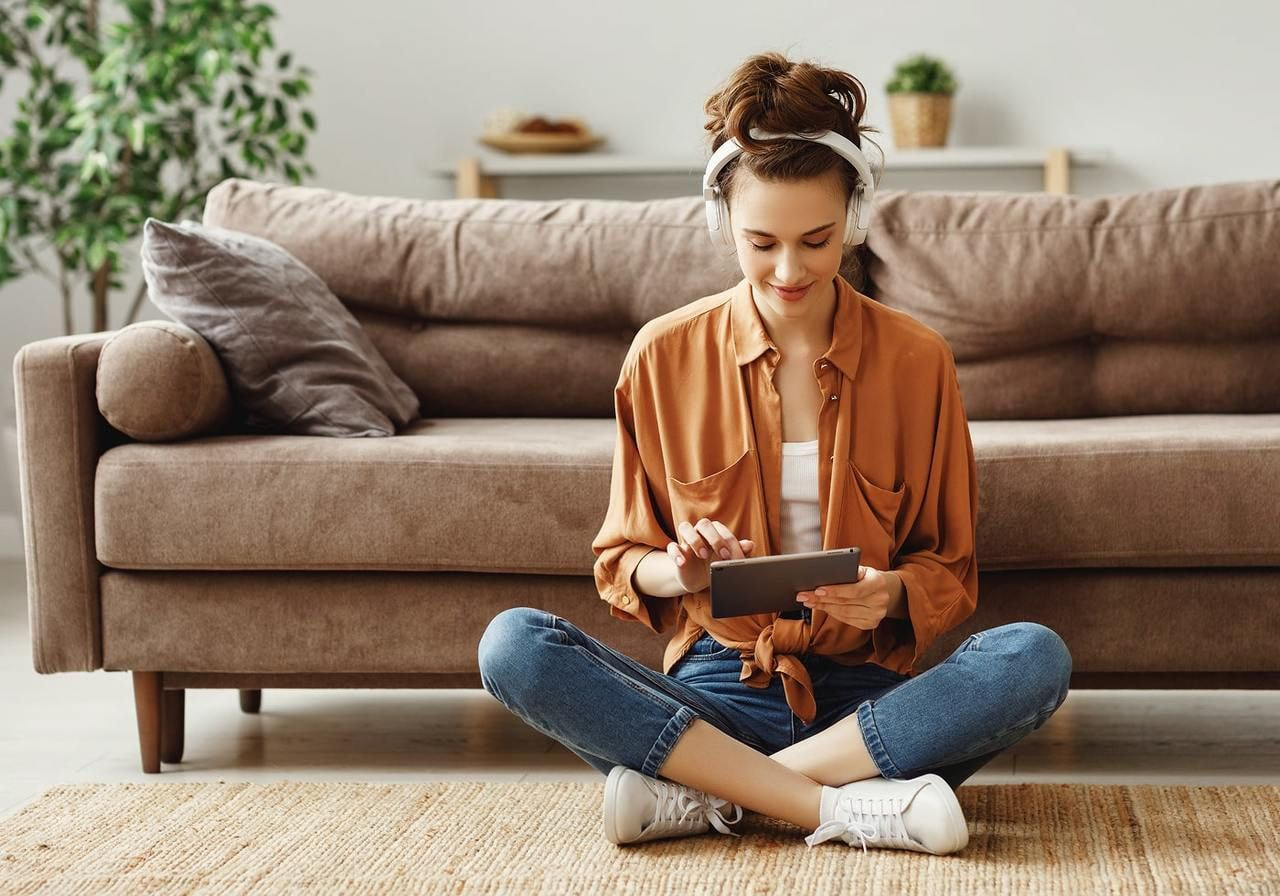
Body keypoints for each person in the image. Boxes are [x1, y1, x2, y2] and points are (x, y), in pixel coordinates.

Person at [477, 51, 1072, 856]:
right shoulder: (662, 355)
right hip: (718, 691)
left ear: (855, 220)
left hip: (869, 709)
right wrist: (680, 570)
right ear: (724, 222)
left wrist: (890, 595)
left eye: (817, 241)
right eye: (761, 242)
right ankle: (851, 808)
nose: (789, 270)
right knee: (512, 646)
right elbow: (623, 560)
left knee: (1032, 657)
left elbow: (949, 567)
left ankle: (713, 798)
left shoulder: (917, 359)